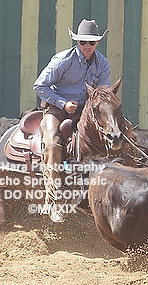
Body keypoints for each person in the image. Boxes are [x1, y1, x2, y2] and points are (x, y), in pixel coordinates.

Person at [33, 19, 111, 222]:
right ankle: (54, 200)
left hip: (85, 112)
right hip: (57, 109)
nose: (87, 46)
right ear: (77, 41)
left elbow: (103, 94)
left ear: (97, 43)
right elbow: (40, 86)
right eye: (83, 42)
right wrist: (62, 103)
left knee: (112, 134)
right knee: (52, 143)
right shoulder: (63, 60)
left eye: (91, 42)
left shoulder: (102, 64)